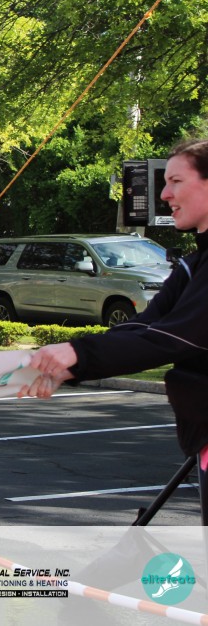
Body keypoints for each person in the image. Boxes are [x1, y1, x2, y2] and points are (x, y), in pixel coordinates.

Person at [22, 139, 208, 507]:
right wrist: (69, 367)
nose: (165, 195)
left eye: (176, 181)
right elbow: (144, 327)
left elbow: (175, 337)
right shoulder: (194, 264)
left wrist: (77, 353)